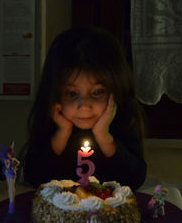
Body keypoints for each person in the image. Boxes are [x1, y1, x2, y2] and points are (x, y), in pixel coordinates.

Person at [24, 27, 147, 191]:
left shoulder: (122, 119)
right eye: (72, 93)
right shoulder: (51, 124)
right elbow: (35, 178)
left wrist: (104, 137)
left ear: (116, 90)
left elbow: (135, 180)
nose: (84, 106)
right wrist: (61, 135)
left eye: (97, 92)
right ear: (54, 93)